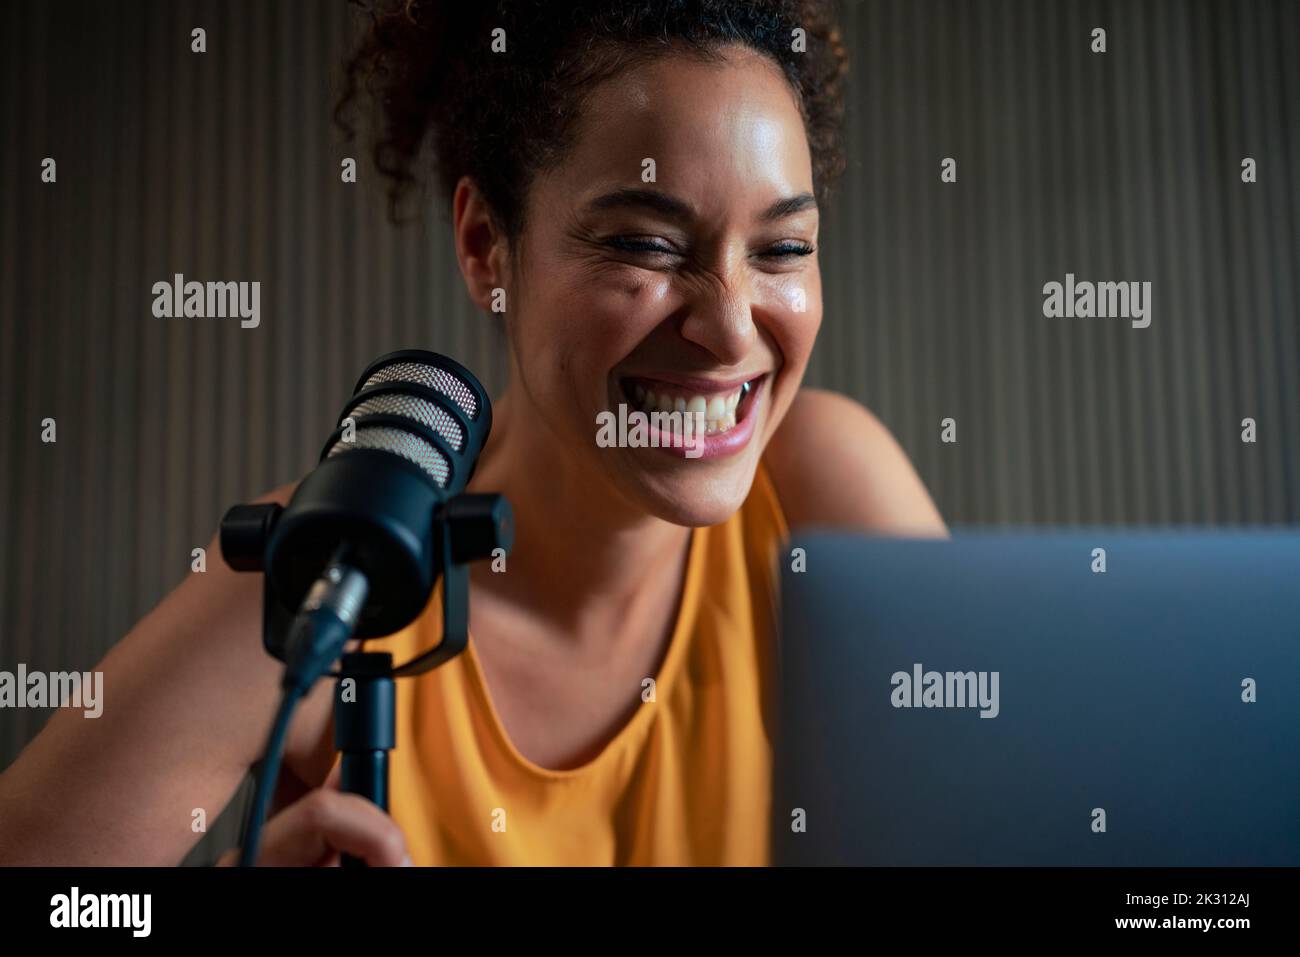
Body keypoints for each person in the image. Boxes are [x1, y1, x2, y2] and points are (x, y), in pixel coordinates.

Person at [0, 0, 944, 867]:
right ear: (487, 247)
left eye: (783, 249)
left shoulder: (824, 493)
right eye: (645, 246)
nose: (732, 329)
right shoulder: (327, 571)